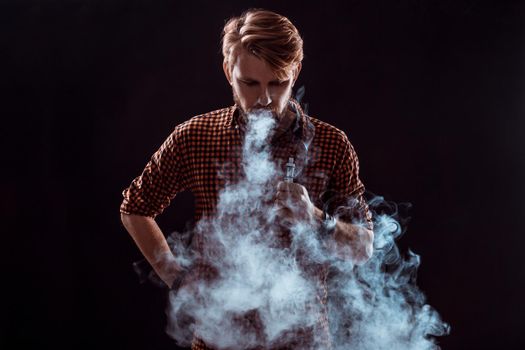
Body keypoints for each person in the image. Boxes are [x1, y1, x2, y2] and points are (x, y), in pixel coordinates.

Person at [120, 8, 374, 350]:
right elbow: (134, 207)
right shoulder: (196, 136)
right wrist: (176, 278)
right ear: (228, 71)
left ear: (295, 71)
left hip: (303, 342)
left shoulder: (331, 144)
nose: (265, 99)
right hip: (217, 341)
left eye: (278, 82)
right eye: (250, 83)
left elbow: (363, 248)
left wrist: (315, 218)